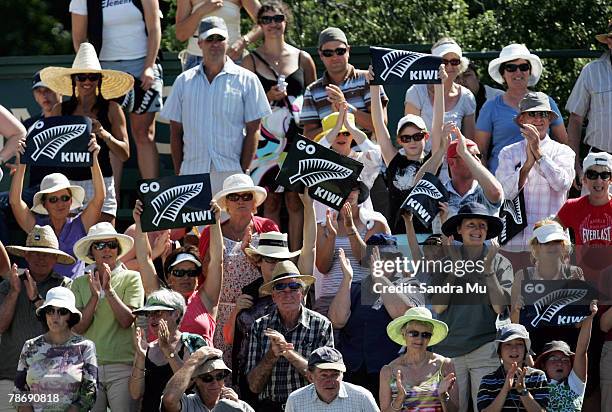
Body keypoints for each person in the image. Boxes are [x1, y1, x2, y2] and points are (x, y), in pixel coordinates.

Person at [161, 17, 271, 194]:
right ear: (199, 43)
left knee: (230, 223)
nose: (215, 44)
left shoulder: (247, 79)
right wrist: (180, 172)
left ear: (227, 42)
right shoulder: (183, 81)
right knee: (195, 223)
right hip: (192, 171)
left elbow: (254, 130)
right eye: (209, 39)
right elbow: (175, 132)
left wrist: (242, 170)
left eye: (220, 39)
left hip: (231, 173)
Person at [225, 192, 316, 402]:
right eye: (268, 259)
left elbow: (310, 246)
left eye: (280, 259)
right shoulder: (249, 291)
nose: (274, 264)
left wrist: (308, 207)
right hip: (253, 384)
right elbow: (230, 339)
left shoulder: (295, 285)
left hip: (294, 381)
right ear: (258, 262)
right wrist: (236, 311)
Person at [241, 0, 316, 249]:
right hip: (264, 140)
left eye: (278, 18)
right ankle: (273, 256)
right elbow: (243, 102)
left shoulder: (303, 58)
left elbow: (314, 99)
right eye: (266, 20)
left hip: (296, 138)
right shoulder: (250, 61)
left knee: (296, 201)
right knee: (270, 201)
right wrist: (267, 97)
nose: (273, 24)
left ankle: (294, 258)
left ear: (285, 22)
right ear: (259, 25)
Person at [70, 0, 164, 180]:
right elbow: (79, 39)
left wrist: (149, 66)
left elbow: (154, 27)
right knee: (110, 135)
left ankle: (152, 197)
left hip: (142, 64)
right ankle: (111, 202)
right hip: (104, 68)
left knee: (143, 133)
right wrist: (90, 70)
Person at [434, 202, 514, 412]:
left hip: (485, 348)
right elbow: (439, 308)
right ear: (459, 229)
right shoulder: (444, 262)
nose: (477, 230)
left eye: (482, 225)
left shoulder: (500, 262)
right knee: (452, 409)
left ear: (487, 232)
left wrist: (488, 269)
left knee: (487, 409)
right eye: (471, 224)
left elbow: (499, 308)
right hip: (449, 351)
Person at [40, 42, 130, 225]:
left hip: (102, 181)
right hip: (68, 183)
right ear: (74, 80)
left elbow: (124, 153)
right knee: (71, 244)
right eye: (82, 77)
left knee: (103, 240)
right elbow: (48, 150)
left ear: (99, 80)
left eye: (92, 77)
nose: (87, 81)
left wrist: (104, 134)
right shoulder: (60, 109)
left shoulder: (112, 109)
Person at [198, 173, 278, 368]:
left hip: (260, 310)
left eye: (246, 196)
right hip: (222, 314)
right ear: (226, 203)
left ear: (254, 203)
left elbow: (277, 272)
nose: (240, 201)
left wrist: (251, 256)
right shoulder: (210, 231)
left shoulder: (267, 227)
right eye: (234, 197)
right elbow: (205, 275)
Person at [328, 236, 418, 402]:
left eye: (391, 258)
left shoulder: (408, 285)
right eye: (380, 258)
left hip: (390, 373)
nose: (386, 262)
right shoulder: (354, 287)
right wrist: (346, 279)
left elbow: (406, 316)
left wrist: (381, 280)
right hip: (352, 373)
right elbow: (336, 320)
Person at [70, 222, 145, 412]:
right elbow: (78, 328)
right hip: (88, 367)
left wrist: (108, 290)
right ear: (91, 252)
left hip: (123, 367)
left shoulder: (132, 278)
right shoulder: (78, 283)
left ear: (117, 249)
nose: (107, 250)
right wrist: (94, 298)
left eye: (111, 244)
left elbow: (127, 320)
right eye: (100, 245)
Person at [0, 225, 73, 412]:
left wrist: (36, 300)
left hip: (50, 378)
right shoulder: (10, 284)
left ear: (55, 258)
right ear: (26, 256)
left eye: (46, 254)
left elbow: (65, 329)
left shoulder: (65, 286)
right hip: (8, 375)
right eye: (35, 253)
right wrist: (15, 292)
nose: (41, 258)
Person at [495, 92, 574, 259]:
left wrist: (538, 154)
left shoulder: (564, 151)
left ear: (550, 119)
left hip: (551, 241)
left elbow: (562, 185)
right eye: (532, 114)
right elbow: (505, 194)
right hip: (514, 242)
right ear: (522, 119)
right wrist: (527, 166)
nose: (538, 119)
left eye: (543, 114)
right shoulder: (508, 153)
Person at [246, 261, 334, 411]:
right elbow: (254, 387)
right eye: (280, 287)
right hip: (270, 407)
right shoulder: (259, 326)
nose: (287, 292)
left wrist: (287, 352)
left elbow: (326, 378)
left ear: (303, 293)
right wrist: (272, 355)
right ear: (273, 296)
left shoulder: (321, 325)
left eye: (294, 287)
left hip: (309, 407)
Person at [134, 199, 223, 345]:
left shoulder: (207, 298)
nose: (186, 277)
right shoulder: (158, 296)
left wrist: (215, 222)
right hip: (161, 367)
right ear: (169, 277)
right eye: (179, 273)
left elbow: (217, 261)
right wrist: (139, 222)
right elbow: (145, 259)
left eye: (192, 272)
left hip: (199, 367)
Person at [371, 64, 446, 234]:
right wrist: (374, 86)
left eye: (417, 136)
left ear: (426, 137)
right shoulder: (394, 161)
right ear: (400, 141)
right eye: (406, 138)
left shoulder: (433, 159)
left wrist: (439, 86)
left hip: (429, 237)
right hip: (398, 235)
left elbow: (437, 123)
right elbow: (378, 124)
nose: (412, 141)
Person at [475, 43, 568, 174]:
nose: (518, 72)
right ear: (503, 74)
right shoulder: (490, 107)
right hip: (502, 180)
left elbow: (563, 144)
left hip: (543, 180)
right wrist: (486, 185)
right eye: (511, 67)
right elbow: (480, 152)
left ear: (529, 72)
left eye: (523, 67)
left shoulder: (547, 102)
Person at [10, 162, 105, 278]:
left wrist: (93, 160)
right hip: (40, 292)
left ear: (71, 201)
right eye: (53, 199)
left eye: (65, 198)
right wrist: (22, 163)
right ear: (44, 204)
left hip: (73, 292)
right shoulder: (37, 227)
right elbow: (15, 202)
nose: (60, 204)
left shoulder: (80, 225)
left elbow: (100, 198)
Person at [13, 287, 97, 411]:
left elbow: (90, 392)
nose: (55, 316)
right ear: (44, 314)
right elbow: (19, 389)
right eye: (50, 311)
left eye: (62, 311)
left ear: (71, 316)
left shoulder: (86, 347)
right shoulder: (30, 346)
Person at [315, 181, 389, 315]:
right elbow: (322, 267)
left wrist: (350, 228)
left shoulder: (375, 222)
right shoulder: (323, 225)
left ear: (359, 192)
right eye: (344, 186)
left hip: (363, 295)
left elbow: (367, 261)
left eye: (354, 188)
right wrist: (332, 236)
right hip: (330, 295)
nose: (349, 192)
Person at [300, 27, 388, 139]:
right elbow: (308, 137)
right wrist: (335, 121)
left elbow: (381, 125)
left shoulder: (368, 79)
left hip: (367, 154)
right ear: (320, 55)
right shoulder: (312, 91)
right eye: (328, 53)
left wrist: (346, 108)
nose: (335, 57)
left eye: (340, 51)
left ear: (348, 50)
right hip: (329, 155)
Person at [510, 220, 583, 352]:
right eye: (546, 242)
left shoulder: (575, 273)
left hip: (568, 351)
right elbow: (515, 325)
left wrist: (584, 307)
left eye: (557, 242)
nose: (552, 247)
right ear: (536, 246)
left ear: (564, 246)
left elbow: (579, 324)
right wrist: (517, 309)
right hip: (534, 351)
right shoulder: (522, 276)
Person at [129, 289, 208, 411]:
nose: (152, 318)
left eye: (158, 312)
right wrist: (140, 356)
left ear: (176, 314)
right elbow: (135, 394)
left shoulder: (192, 343)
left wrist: (166, 348)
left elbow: (189, 384)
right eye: (149, 314)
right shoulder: (146, 348)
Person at [418, 125, 503, 235]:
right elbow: (417, 187)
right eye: (471, 156)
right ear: (452, 162)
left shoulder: (484, 189)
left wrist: (465, 154)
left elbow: (495, 193)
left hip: (484, 252)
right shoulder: (439, 193)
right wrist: (442, 149)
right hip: (447, 251)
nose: (477, 160)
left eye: (478, 156)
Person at [381, 307, 458, 412]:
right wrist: (400, 398)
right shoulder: (388, 371)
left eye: (426, 335)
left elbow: (456, 410)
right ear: (403, 334)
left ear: (430, 338)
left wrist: (443, 396)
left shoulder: (445, 365)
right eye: (414, 333)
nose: (420, 339)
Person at [404, 37, 476, 145]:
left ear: (460, 65)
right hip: (421, 158)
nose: (449, 66)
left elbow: (469, 142)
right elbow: (410, 138)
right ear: (433, 64)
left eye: (455, 62)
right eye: (444, 62)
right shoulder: (416, 91)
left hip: (454, 159)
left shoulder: (467, 96)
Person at [566, 20, 612, 187]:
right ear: (609, 41)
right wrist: (574, 164)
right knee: (594, 214)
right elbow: (575, 119)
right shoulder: (591, 71)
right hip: (598, 162)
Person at [556, 152, 612, 282]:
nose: (599, 181)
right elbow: (550, 232)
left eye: (604, 175)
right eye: (592, 174)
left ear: (610, 180)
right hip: (582, 284)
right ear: (584, 179)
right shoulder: (572, 206)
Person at [533, 301, 597, 412]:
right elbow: (523, 349)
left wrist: (590, 317)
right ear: (543, 365)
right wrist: (517, 310)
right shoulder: (534, 381)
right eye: (553, 359)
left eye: (565, 359)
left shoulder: (575, 383)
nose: (560, 363)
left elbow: (581, 350)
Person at [476, 324, 549, 411]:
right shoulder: (488, 380)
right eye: (508, 344)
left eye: (519, 344)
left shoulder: (537, 376)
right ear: (499, 352)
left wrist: (523, 391)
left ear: (526, 350)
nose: (514, 349)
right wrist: (505, 389)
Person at [285, 346, 380, 411]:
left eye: (335, 375)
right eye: (324, 375)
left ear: (342, 375)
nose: (330, 381)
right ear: (310, 377)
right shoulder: (296, 400)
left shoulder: (361, 397)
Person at [175, 0, 262, 70]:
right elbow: (181, 35)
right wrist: (200, 11)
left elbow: (265, 21)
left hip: (232, 59)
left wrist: (244, 41)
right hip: (197, 60)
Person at [162, 346, 254, 412]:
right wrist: (193, 361)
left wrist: (235, 408)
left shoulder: (240, 405)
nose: (215, 382)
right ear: (196, 380)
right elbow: (169, 400)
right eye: (207, 378)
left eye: (220, 376)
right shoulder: (188, 404)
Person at [319, 106, 382, 191]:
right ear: (328, 136)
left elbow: (377, 154)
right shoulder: (321, 161)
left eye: (346, 133)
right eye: (336, 134)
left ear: (353, 136)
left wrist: (351, 128)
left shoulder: (362, 159)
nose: (341, 137)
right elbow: (311, 155)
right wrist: (337, 127)